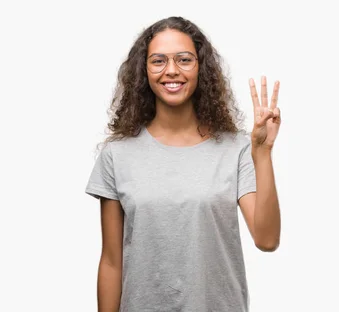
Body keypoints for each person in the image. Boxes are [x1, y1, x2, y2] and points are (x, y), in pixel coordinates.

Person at [85, 16, 282, 312]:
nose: (172, 71)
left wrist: (262, 153)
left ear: (201, 68)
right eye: (158, 61)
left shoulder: (236, 148)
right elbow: (112, 262)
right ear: (144, 71)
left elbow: (267, 240)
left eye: (184, 59)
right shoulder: (117, 154)